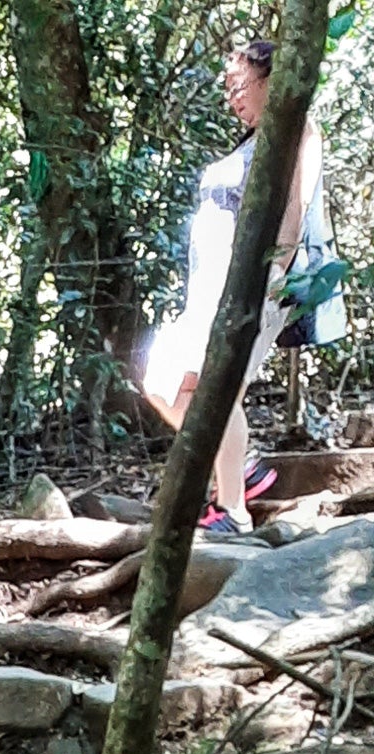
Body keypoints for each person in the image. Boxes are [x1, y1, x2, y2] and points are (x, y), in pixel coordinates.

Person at [141, 38, 332, 534]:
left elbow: (298, 202)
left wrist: (275, 271)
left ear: (270, 80)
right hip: (211, 287)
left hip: (251, 283)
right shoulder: (252, 142)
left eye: (238, 85)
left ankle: (233, 511)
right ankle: (238, 467)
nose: (231, 98)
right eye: (226, 88)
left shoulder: (297, 128)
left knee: (217, 387)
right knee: (161, 380)